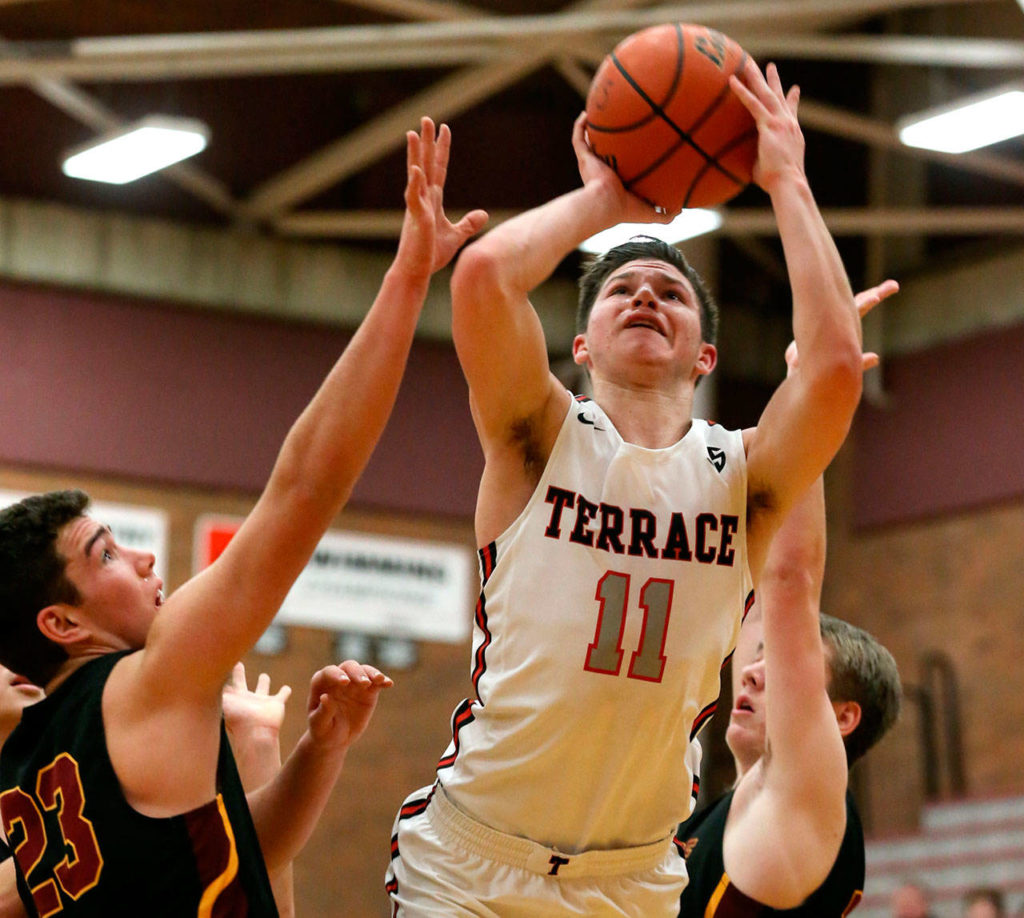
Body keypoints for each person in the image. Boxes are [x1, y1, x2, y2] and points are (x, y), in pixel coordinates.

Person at [388, 58, 866, 916]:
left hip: (632, 880)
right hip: (472, 858)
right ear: (580, 345)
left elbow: (833, 369)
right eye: (620, 288)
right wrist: (610, 200)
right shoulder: (538, 435)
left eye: (673, 293)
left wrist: (787, 179)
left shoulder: (745, 477)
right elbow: (483, 278)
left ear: (704, 356)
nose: (646, 291)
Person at [0, 117, 486, 916]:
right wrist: (406, 278)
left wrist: (315, 751)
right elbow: (304, 486)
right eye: (109, 556)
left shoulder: (29, 760)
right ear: (61, 624)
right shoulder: (149, 682)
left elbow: (236, 852)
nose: (148, 563)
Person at [675, 285, 903, 916]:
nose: (750, 668)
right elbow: (759, 589)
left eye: (781, 665)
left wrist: (814, 390)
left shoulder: (801, 793)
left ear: (840, 718)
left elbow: (790, 579)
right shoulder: (727, 807)